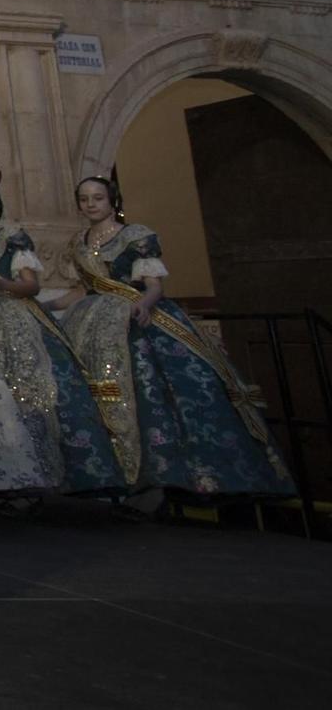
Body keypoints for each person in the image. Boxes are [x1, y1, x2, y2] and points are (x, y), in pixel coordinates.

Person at [55, 176, 291, 503]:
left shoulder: (135, 236)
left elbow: (154, 285)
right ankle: (117, 479)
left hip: (137, 323)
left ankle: (174, 482)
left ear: (112, 200)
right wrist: (44, 306)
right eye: (84, 199)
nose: (91, 204)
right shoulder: (78, 243)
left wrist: (143, 305)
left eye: (98, 198)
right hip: (93, 327)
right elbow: (84, 289)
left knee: (155, 394)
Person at [0, 189, 122, 498]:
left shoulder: (11, 236)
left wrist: (1, 285)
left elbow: (31, 285)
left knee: (31, 394)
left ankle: (40, 479)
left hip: (13, 321)